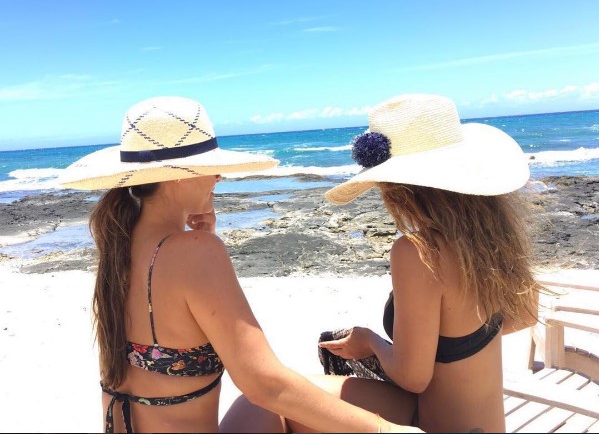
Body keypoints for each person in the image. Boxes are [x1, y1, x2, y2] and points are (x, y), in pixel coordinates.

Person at [59, 96, 419, 434]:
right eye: (211, 168)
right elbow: (264, 384)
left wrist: (201, 239)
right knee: (385, 413)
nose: (218, 178)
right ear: (179, 174)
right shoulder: (194, 252)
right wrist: (387, 430)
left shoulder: (119, 245)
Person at [314, 93, 540, 433]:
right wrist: (455, 343)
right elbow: (525, 315)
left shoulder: (419, 252)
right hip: (484, 424)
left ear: (398, 189)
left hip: (437, 426)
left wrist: (370, 341)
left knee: (274, 405)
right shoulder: (491, 238)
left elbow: (413, 377)